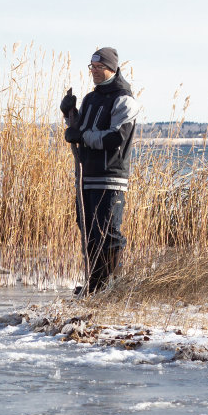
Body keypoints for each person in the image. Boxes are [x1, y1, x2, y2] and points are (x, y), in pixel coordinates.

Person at [61, 47, 137, 293]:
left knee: (108, 232)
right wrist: (70, 115)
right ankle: (94, 286)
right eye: (91, 67)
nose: (94, 71)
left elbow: (115, 137)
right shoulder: (90, 99)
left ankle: (112, 288)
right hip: (88, 175)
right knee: (89, 230)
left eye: (99, 67)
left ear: (111, 69)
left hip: (110, 177)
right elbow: (81, 129)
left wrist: (81, 136)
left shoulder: (124, 99)